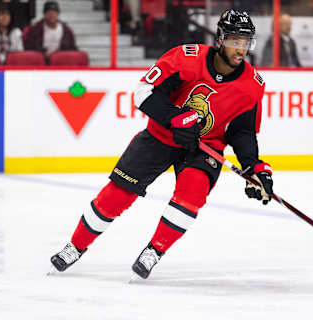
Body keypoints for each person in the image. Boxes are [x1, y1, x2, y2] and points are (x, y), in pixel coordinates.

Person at [50, 9, 274, 280]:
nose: (240, 49)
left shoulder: (251, 85)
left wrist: (253, 166)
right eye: (234, 41)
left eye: (245, 42)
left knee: (192, 193)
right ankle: (75, 246)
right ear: (219, 38)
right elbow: (143, 93)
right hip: (161, 135)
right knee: (118, 193)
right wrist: (175, 118)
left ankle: (154, 251)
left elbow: (242, 132)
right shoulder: (186, 58)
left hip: (204, 147)